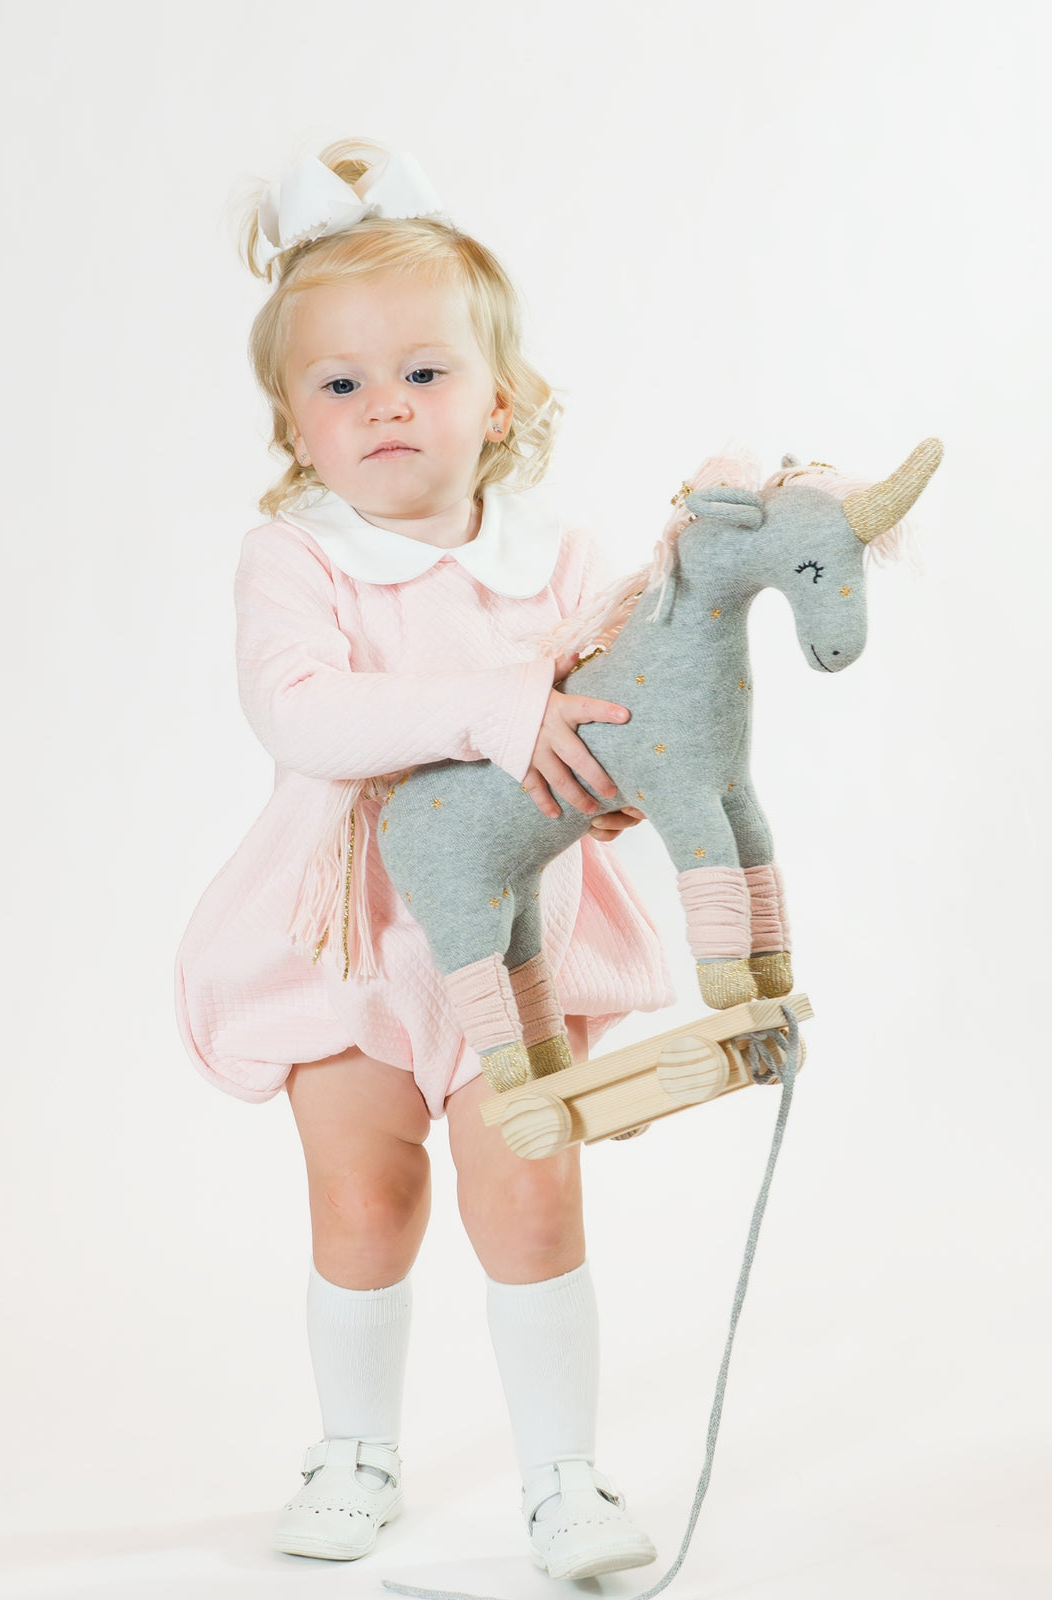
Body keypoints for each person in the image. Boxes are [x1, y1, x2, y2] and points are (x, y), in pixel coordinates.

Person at [173, 138, 675, 1583]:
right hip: (350, 933)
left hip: (516, 928)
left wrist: (620, 765)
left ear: (499, 396)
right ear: (295, 423)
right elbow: (305, 712)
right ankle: (356, 1449)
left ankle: (565, 1479)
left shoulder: (559, 555)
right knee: (367, 1193)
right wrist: (489, 705)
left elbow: (607, 698)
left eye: (424, 374)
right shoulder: (301, 562)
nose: (383, 406)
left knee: (530, 1186)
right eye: (340, 385)